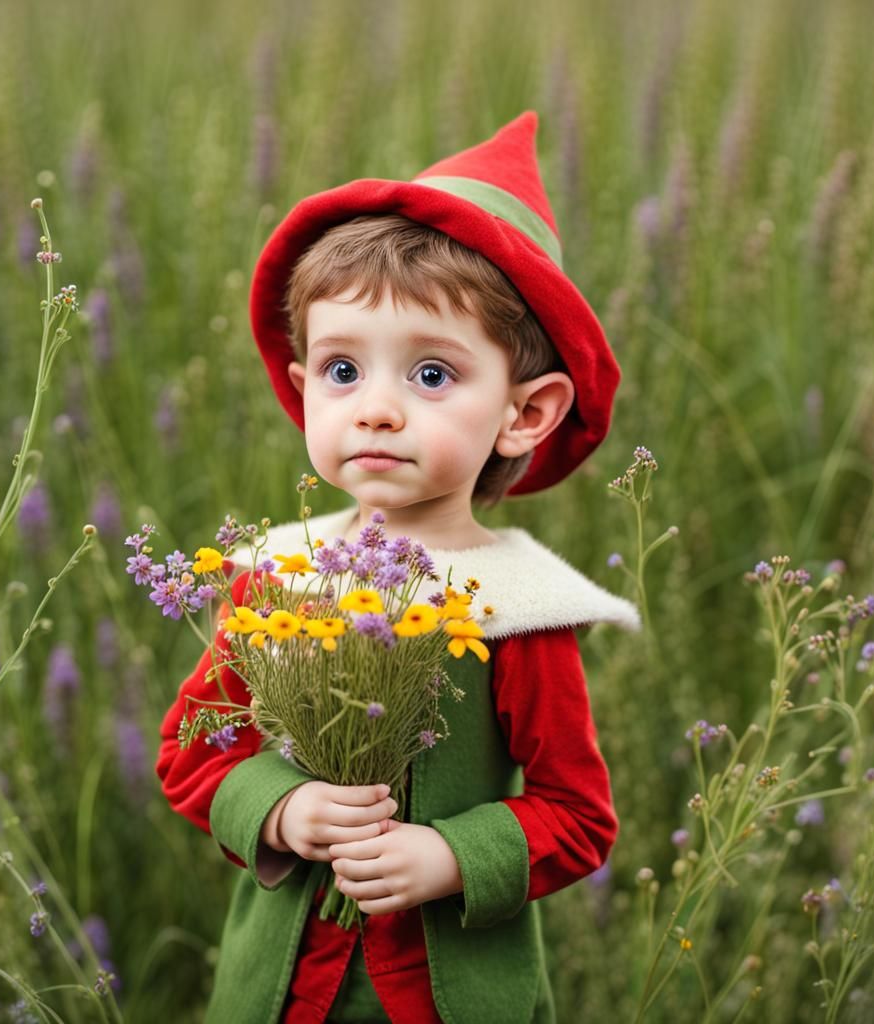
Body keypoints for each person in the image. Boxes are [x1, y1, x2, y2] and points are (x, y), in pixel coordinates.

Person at [156, 111, 641, 1023]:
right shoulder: (280, 574)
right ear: (301, 389)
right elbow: (191, 748)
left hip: (445, 997)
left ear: (524, 413)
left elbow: (577, 815)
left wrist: (453, 856)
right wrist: (281, 811)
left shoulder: (515, 607)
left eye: (429, 376)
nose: (375, 409)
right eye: (343, 370)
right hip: (276, 993)